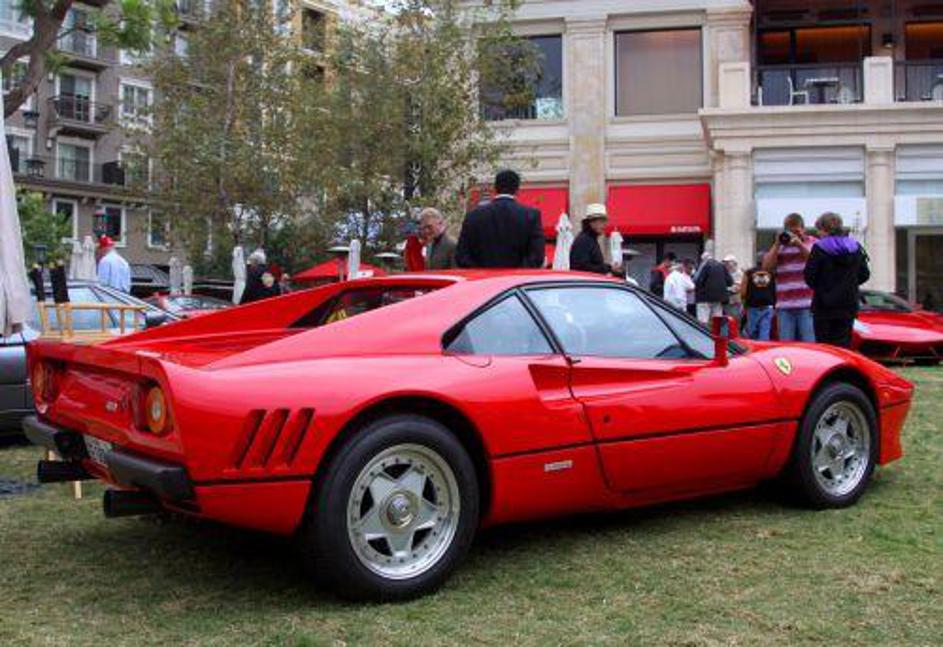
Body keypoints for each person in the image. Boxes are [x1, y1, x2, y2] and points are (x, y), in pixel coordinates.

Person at [804, 212, 870, 348]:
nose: (818, 234)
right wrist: (850, 283)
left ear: (824, 229)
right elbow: (865, 274)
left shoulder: (819, 248)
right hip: (848, 304)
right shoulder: (855, 247)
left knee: (824, 346)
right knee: (843, 344)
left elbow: (809, 276)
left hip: (824, 305)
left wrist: (822, 288)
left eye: (819, 230)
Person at [455, 169, 544, 269]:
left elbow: (462, 256)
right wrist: (517, 273)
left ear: (495, 188)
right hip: (517, 277)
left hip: (482, 277)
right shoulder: (530, 216)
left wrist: (481, 272)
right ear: (517, 190)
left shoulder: (473, 216)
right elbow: (537, 256)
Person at [763, 213, 816, 342]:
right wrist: (777, 244)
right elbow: (766, 267)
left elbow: (815, 261)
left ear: (803, 229)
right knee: (787, 346)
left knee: (809, 345)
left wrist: (799, 244)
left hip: (807, 304)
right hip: (785, 306)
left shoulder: (812, 242)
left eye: (797, 231)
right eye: (791, 232)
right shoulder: (781, 244)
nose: (794, 235)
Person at [570, 204, 621, 275]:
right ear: (592, 222)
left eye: (605, 221)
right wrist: (609, 268)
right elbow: (584, 267)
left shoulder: (590, 239)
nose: (605, 225)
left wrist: (609, 268)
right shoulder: (585, 240)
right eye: (602, 221)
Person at [741, 253, 776, 341]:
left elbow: (743, 292)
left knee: (752, 333)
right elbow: (775, 290)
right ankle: (763, 348)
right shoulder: (771, 273)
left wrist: (744, 304)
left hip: (752, 306)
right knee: (764, 333)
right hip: (768, 306)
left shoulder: (748, 272)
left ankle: (752, 348)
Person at [694, 252, 732, 324]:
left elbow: (698, 281)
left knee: (703, 321)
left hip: (704, 298)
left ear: (703, 260)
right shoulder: (722, 266)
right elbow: (730, 282)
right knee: (717, 321)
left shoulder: (704, 265)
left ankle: (702, 331)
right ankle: (715, 331)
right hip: (719, 298)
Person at [722, 254, 743, 321]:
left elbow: (736, 288)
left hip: (734, 301)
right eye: (725, 263)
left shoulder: (738, 273)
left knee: (734, 320)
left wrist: (724, 288)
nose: (726, 264)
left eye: (728, 262)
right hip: (726, 301)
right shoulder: (726, 273)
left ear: (734, 263)